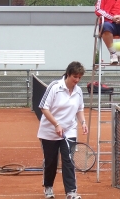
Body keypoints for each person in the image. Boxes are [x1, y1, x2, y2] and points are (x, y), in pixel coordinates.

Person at [37, 61, 88, 199]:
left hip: (69, 130)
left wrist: (83, 122)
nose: (77, 80)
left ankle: (71, 192)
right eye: (75, 77)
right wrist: (56, 124)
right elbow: (43, 107)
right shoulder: (55, 87)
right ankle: (48, 187)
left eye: (79, 77)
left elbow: (79, 109)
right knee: (51, 161)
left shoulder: (78, 91)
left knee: (69, 160)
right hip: (49, 131)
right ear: (68, 74)